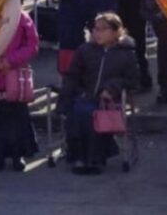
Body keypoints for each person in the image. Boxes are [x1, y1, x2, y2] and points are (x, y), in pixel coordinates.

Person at [58, 11, 138, 174]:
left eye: (103, 29)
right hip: (85, 95)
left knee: (91, 114)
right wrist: (68, 95)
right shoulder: (85, 50)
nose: (97, 33)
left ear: (115, 31)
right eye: (95, 29)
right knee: (79, 111)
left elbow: (132, 80)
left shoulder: (126, 53)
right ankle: (79, 156)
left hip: (109, 101)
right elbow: (72, 75)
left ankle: (94, 159)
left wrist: (112, 88)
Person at [0, 9, 39, 171]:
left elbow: (32, 45)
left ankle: (18, 155)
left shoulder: (21, 17)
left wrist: (9, 61)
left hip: (13, 76)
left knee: (16, 118)